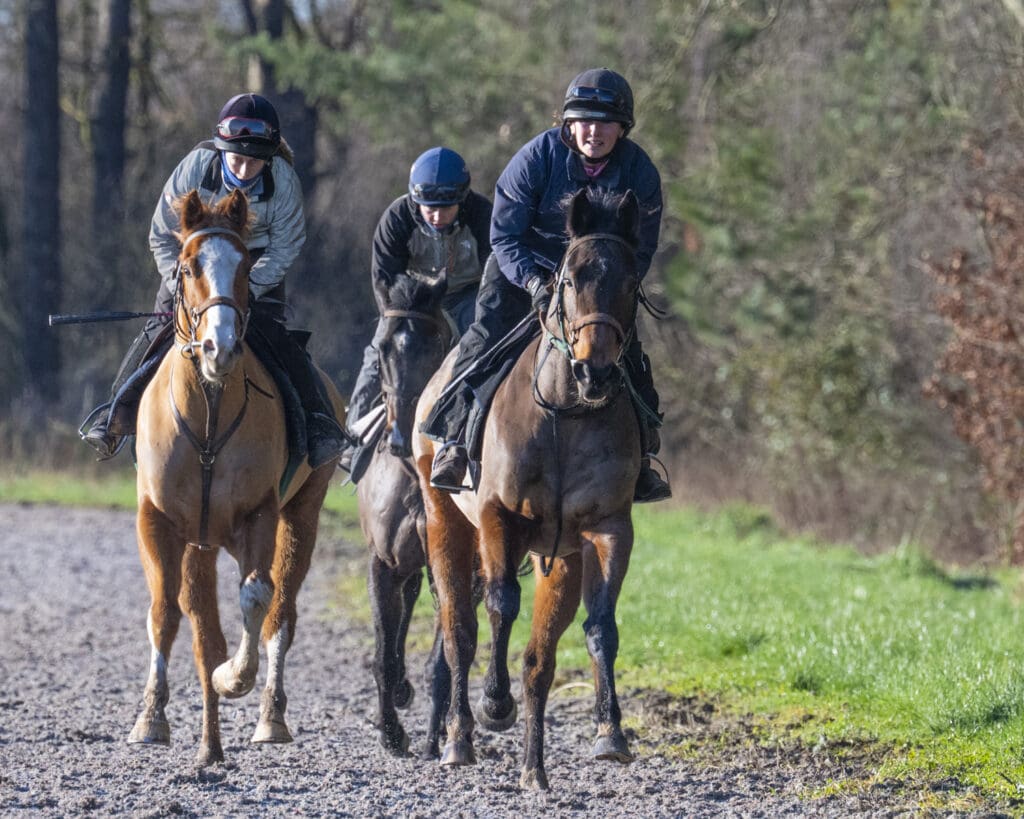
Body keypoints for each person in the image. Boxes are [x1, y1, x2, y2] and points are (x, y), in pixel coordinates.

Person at [424, 68, 671, 503]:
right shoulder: (535, 159)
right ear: (568, 124)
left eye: (605, 122)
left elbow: (642, 249)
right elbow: (503, 238)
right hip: (524, 272)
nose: (594, 131)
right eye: (584, 120)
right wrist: (538, 283)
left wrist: (614, 287)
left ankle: (643, 458)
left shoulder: (641, 172)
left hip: (596, 286)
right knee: (482, 343)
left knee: (628, 353)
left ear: (623, 128)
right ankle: (453, 441)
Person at [80, 92, 346, 468]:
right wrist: (185, 281)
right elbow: (161, 234)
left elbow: (287, 246)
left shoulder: (284, 181)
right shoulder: (194, 166)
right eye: (237, 158)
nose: (244, 167)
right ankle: (113, 417)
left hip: (253, 271)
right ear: (222, 150)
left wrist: (243, 287)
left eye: (255, 161)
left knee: (277, 340)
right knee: (156, 333)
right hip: (193, 269)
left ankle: (318, 424)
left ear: (268, 159)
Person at [340, 146, 492, 474]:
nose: (436, 216)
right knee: (376, 352)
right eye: (428, 208)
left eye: (446, 208)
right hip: (413, 302)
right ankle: (351, 439)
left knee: (484, 350)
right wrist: (398, 323)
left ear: (462, 199)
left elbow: (497, 274)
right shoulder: (396, 219)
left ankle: (466, 432)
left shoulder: (483, 216)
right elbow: (384, 283)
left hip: (468, 296)